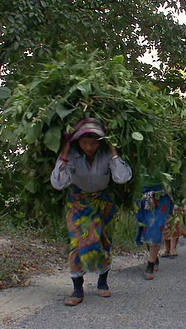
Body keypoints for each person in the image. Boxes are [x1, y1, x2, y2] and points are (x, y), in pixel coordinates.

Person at [50, 118, 133, 306]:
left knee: (104, 239)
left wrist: (113, 151)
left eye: (94, 142)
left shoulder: (105, 154)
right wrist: (64, 152)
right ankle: (77, 289)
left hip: (103, 203)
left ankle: (102, 282)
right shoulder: (72, 155)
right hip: (77, 203)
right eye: (85, 142)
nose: (89, 147)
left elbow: (122, 177)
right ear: (77, 142)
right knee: (78, 242)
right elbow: (58, 183)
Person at [135, 167, 172, 280]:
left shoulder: (167, 153)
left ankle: (150, 264)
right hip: (142, 195)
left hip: (161, 195)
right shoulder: (137, 154)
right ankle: (154, 256)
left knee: (156, 227)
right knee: (145, 229)